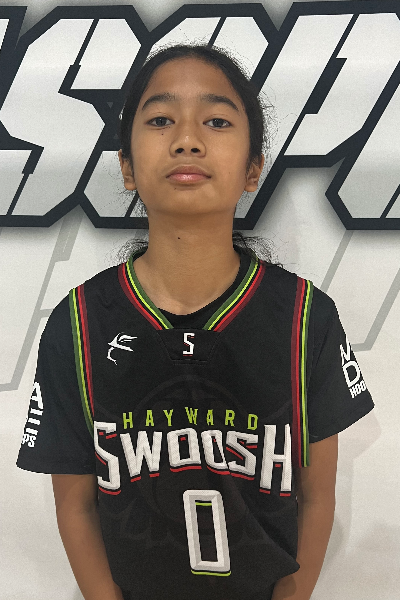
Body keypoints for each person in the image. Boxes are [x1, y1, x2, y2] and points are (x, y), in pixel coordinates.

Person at [16, 44, 374, 600]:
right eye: (161, 119)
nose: (187, 139)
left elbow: (317, 496)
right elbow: (76, 504)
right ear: (127, 167)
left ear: (253, 169)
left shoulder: (306, 317)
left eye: (217, 121)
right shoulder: (79, 323)